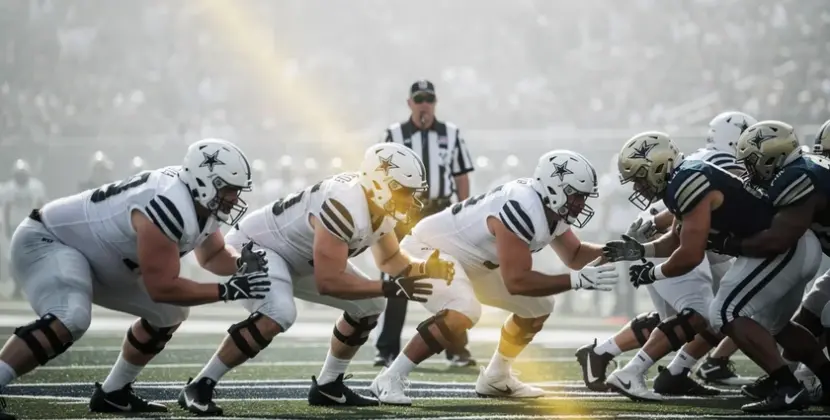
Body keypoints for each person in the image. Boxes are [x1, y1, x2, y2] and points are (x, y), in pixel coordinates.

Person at [0, 139, 271, 420]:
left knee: (170, 313)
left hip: (102, 258)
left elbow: (213, 254)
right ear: (205, 181)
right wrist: (228, 291)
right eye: (228, 189)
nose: (234, 198)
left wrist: (240, 262)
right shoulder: (168, 204)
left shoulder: (197, 199)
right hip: (49, 240)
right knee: (72, 317)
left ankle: (114, 392)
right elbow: (163, 287)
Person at [178, 143, 454, 415]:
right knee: (280, 313)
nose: (411, 200)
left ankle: (328, 385)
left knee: (371, 305)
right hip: (258, 248)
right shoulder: (344, 205)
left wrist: (425, 268)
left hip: (300, 258)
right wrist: (389, 287)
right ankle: (201, 384)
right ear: (380, 185)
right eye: (404, 191)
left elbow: (391, 260)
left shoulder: (377, 206)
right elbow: (329, 282)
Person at [369, 150, 619, 405]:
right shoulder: (523, 206)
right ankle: (390, 378)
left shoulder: (550, 208)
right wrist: (576, 281)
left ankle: (496, 377)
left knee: (540, 306)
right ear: (555, 187)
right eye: (576, 195)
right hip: (429, 250)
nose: (580, 203)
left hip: (474, 261)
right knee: (464, 310)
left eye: (583, 197)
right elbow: (517, 281)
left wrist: (623, 249)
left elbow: (575, 255)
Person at [602, 129, 821, 412]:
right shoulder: (683, 177)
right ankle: (820, 380)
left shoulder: (685, 181)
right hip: (780, 249)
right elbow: (675, 239)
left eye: (641, 178)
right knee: (773, 324)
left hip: (782, 248)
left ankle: (788, 387)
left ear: (658, 167)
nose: (638, 188)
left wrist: (652, 274)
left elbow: (691, 255)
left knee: (723, 313)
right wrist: (641, 252)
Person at [576, 112, 758, 396]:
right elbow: (682, 224)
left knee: (686, 322)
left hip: (677, 238)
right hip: (674, 238)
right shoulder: (722, 163)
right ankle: (638, 372)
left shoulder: (699, 160)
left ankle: (610, 355)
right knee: (709, 314)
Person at [709, 120, 830, 404]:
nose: (750, 168)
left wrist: (729, 244)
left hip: (801, 249)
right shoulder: (802, 169)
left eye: (753, 160)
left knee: (827, 314)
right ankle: (822, 378)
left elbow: (777, 240)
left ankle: (791, 385)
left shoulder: (800, 176)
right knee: (800, 314)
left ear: (772, 155)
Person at [375, 79, 476, 368]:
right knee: (397, 277)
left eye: (428, 99)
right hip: (404, 213)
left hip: (440, 213)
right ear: (410, 103)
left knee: (451, 276)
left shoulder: (450, 133)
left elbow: (461, 175)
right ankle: (387, 348)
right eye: (419, 99)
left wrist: (462, 209)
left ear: (435, 102)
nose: (424, 105)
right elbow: (381, 175)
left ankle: (456, 348)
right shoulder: (394, 134)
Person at [1, 160, 47, 299]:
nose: (21, 177)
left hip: (30, 225)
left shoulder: (36, 187)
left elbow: (41, 205)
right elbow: (6, 209)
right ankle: (17, 287)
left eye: (23, 173)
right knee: (14, 258)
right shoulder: (8, 189)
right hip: (14, 226)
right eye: (19, 174)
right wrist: (7, 228)